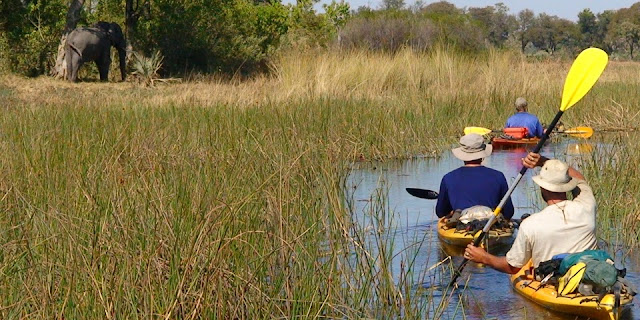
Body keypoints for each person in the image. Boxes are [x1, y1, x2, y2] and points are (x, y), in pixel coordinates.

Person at [463, 152, 597, 274]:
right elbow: (579, 178)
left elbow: (513, 267)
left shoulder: (530, 224)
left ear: (542, 187)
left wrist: (484, 258)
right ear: (568, 185)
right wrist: (543, 161)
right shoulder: (587, 205)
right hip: (588, 272)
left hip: (550, 281)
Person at [435, 133, 514, 220]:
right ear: (482, 155)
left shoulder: (448, 178)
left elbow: (440, 212)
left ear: (462, 155)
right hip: (490, 224)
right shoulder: (498, 176)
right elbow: (509, 212)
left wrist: (452, 211)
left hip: (460, 224)